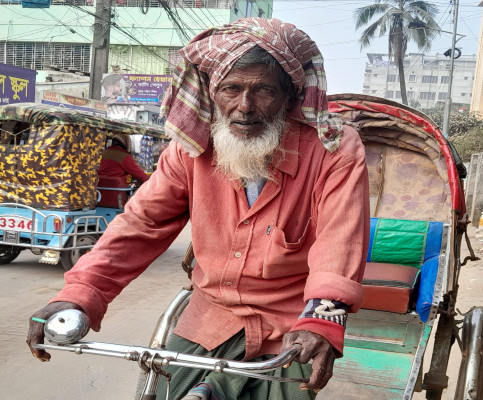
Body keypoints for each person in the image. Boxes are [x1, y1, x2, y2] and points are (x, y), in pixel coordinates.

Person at [27, 17, 370, 400]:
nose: (244, 107)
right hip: (210, 317)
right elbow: (142, 223)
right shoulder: (190, 148)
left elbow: (340, 240)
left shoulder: (334, 150)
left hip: (291, 322)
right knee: (166, 389)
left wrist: (322, 320)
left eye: (263, 91)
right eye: (231, 89)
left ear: (289, 96)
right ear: (211, 92)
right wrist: (80, 292)